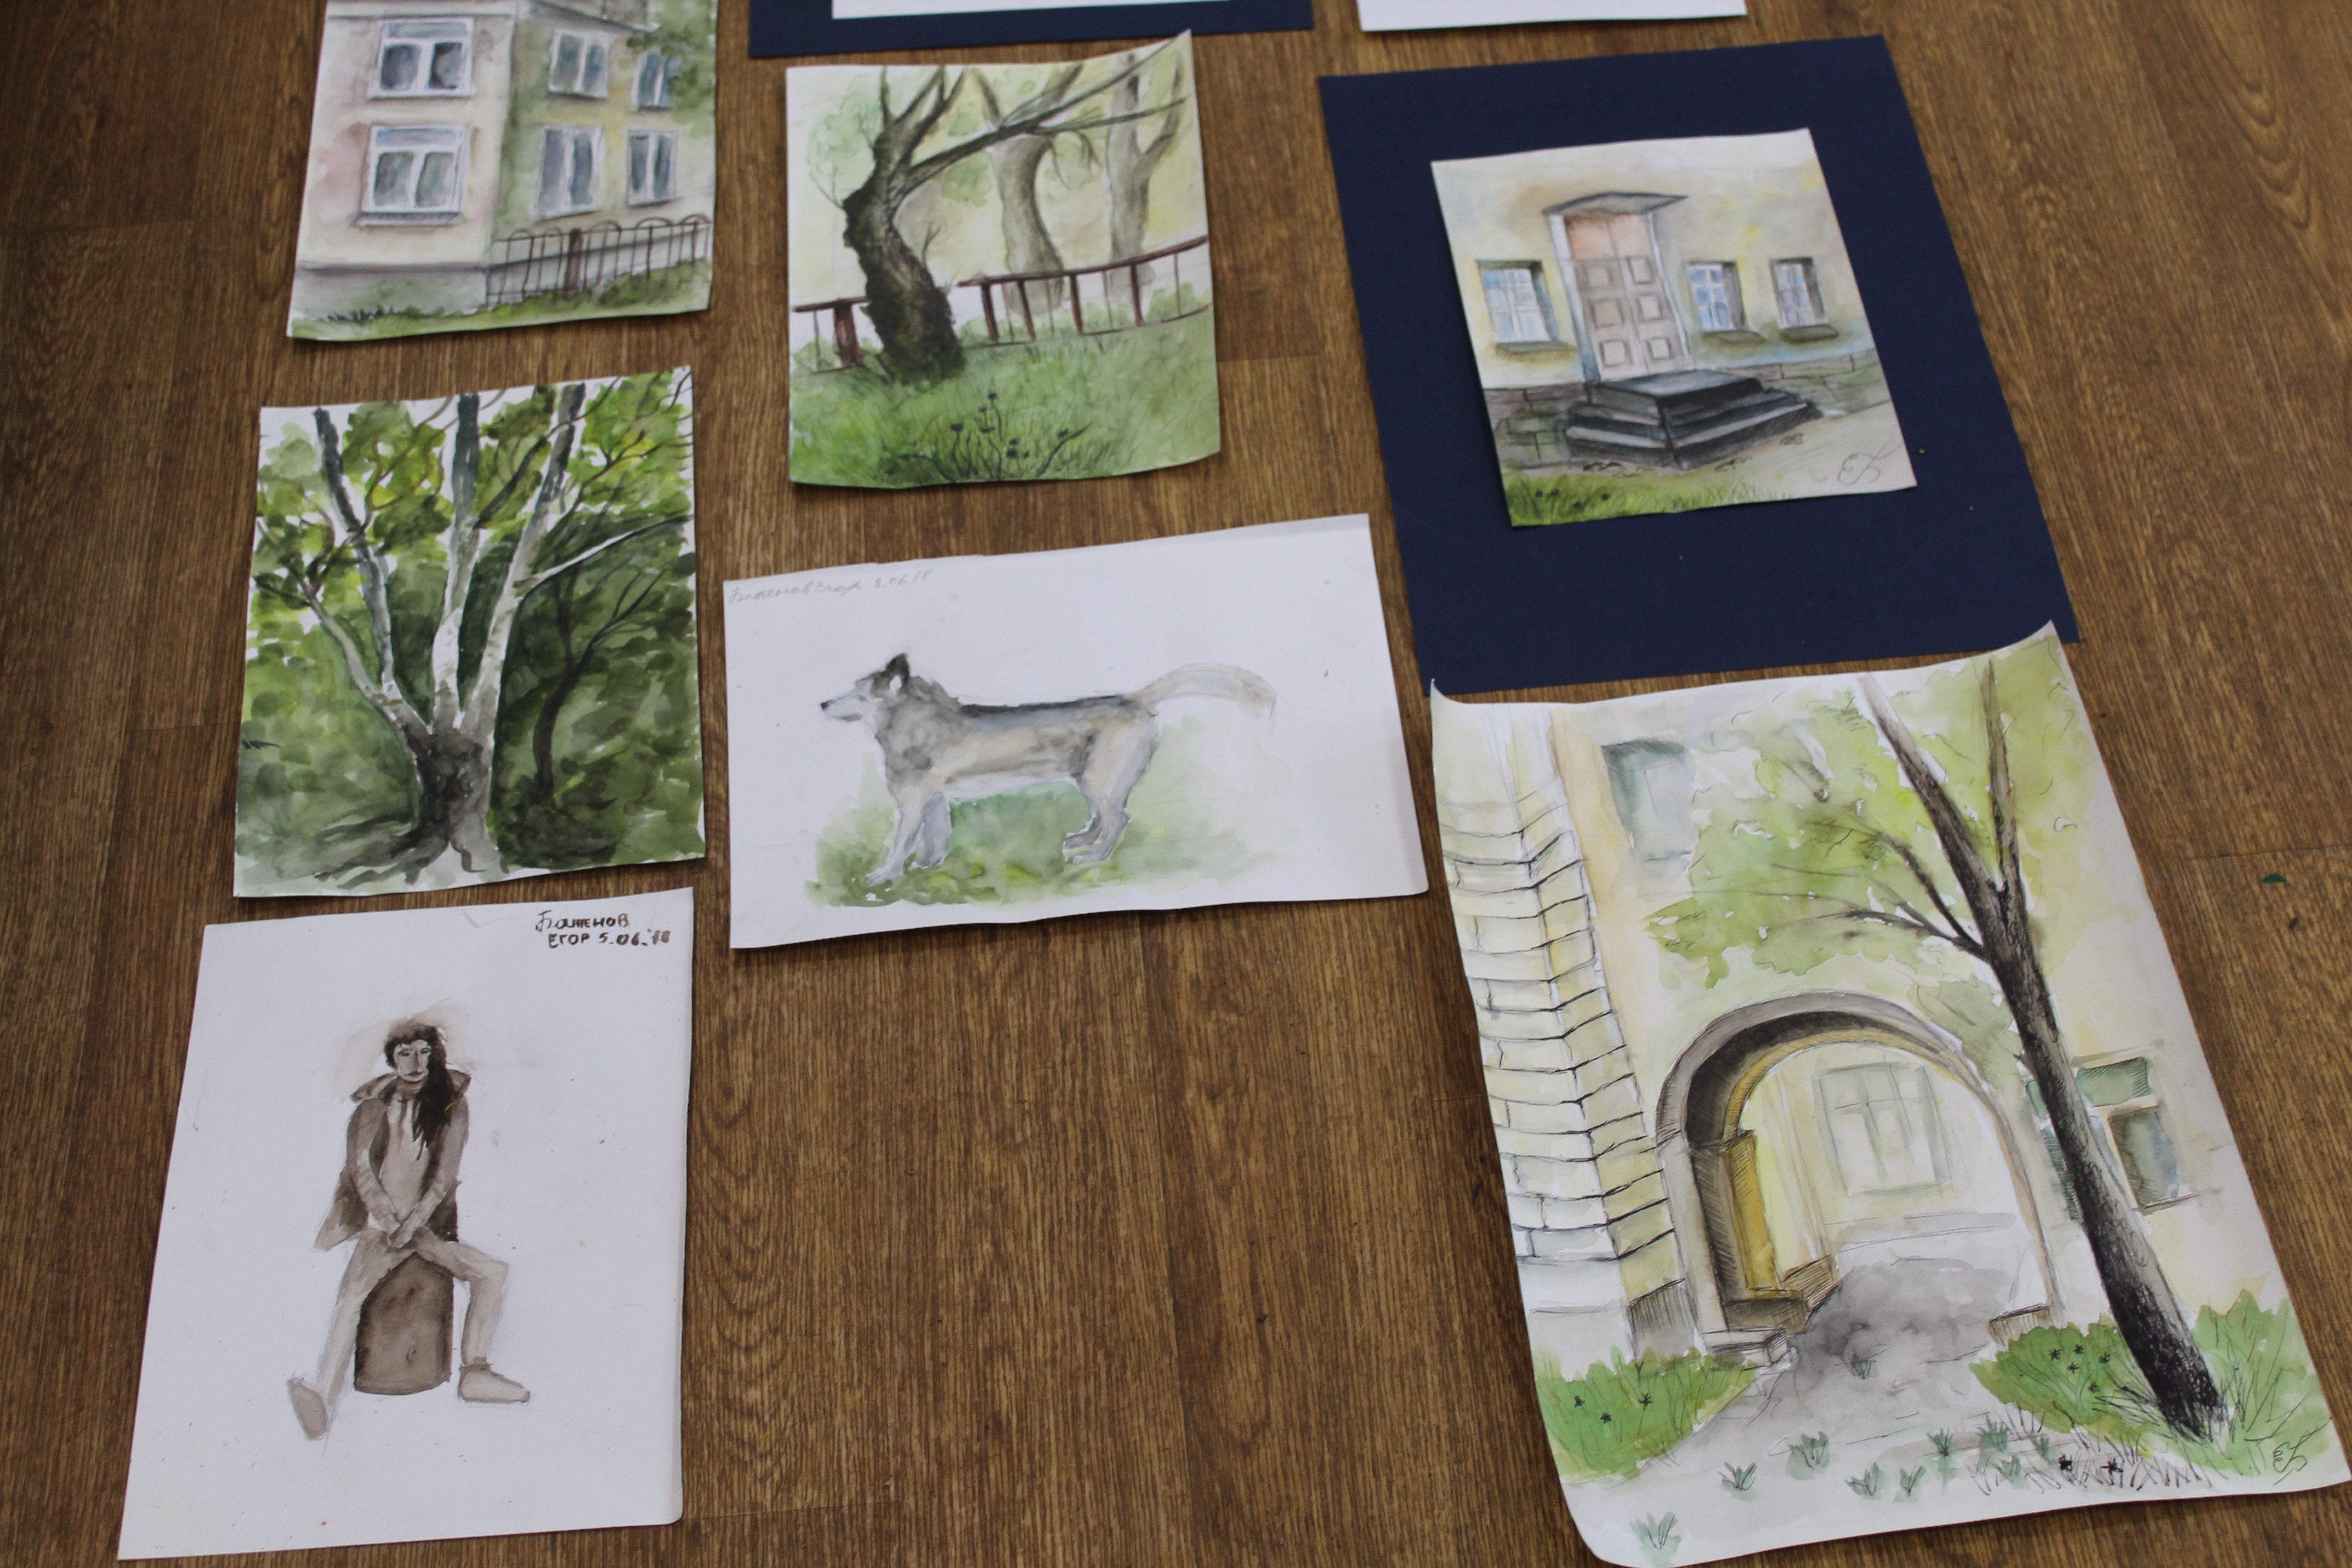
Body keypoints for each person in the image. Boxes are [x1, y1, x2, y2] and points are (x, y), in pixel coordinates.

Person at [288, 1024, 528, 1439]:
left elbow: (444, 1177)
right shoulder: (371, 1106)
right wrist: (388, 1221)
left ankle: (474, 1373)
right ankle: (323, 1400)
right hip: (380, 1232)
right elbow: (361, 1169)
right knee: (351, 1297)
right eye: (405, 1054)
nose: (416, 1063)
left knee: (493, 1273)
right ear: (392, 1060)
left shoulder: (452, 1105)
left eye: (423, 1052)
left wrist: (413, 1225)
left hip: (423, 1230)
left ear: (434, 1056)